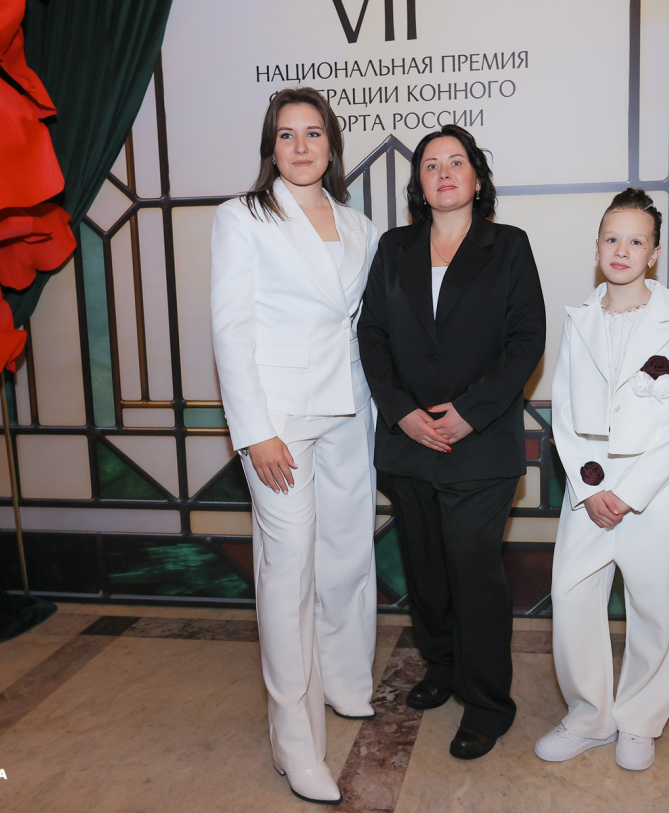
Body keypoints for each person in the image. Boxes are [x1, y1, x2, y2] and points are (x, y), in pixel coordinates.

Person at [210, 87, 380, 805]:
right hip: (279, 418)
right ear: (270, 147)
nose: (302, 146)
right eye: (287, 134)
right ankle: (295, 741)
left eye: (314, 133)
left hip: (350, 406)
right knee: (288, 571)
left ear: (332, 144)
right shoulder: (242, 217)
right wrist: (254, 432)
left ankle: (344, 678)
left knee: (347, 550)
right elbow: (230, 330)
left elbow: (362, 323)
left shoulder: (360, 224)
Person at [358, 125, 546, 761]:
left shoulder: (508, 245)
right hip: (409, 441)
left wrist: (470, 413)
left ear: (476, 176)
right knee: (427, 569)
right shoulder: (394, 247)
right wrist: (402, 412)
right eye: (431, 164)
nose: (443, 173)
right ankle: (440, 667)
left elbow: (526, 339)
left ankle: (488, 703)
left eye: (455, 161)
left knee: (473, 571)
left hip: (480, 442)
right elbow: (371, 335)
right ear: (419, 182)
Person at [534, 188, 669, 772]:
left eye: (636, 241)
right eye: (612, 238)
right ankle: (589, 716)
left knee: (657, 604)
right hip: (590, 487)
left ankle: (638, 719)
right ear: (598, 247)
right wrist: (592, 489)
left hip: (656, 488)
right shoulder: (578, 319)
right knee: (573, 597)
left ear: (653, 254)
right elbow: (563, 411)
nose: (622, 250)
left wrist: (629, 494)